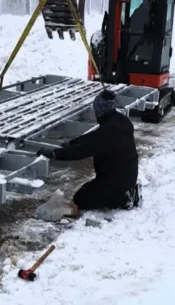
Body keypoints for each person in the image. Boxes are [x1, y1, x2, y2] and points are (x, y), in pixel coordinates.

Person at [36, 90, 142, 219]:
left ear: (101, 111)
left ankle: (124, 199)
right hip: (125, 174)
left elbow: (82, 151)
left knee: (81, 198)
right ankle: (125, 192)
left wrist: (55, 154)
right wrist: (73, 142)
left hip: (116, 181)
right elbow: (93, 137)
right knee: (88, 190)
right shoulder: (119, 121)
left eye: (96, 110)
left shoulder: (109, 133)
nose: (96, 114)